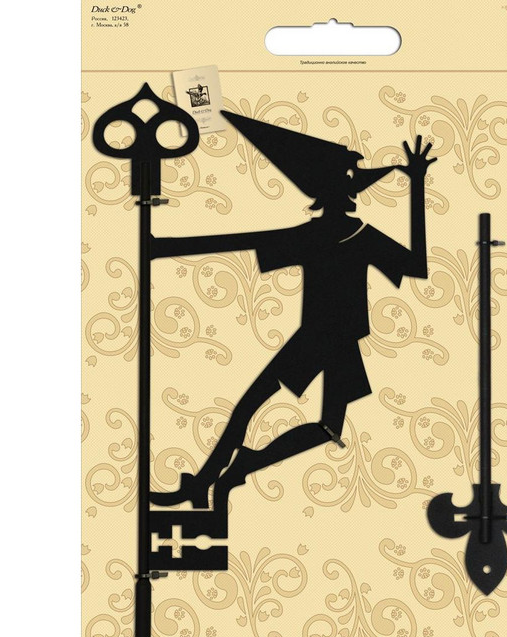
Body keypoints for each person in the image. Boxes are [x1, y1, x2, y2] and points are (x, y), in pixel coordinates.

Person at [150, 110, 437, 508]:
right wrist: (161, 247)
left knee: (285, 417)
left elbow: (417, 266)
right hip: (325, 338)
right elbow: (244, 238)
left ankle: (224, 474)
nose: (354, 181)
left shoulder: (354, 235)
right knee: (312, 423)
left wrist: (162, 247)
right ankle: (221, 476)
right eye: (348, 175)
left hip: (329, 340)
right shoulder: (330, 235)